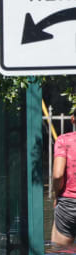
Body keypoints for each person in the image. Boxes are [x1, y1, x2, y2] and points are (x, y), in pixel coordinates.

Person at [53, 103, 76, 246]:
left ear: (73, 119)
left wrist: (57, 195)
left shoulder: (64, 140)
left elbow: (57, 175)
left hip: (68, 204)